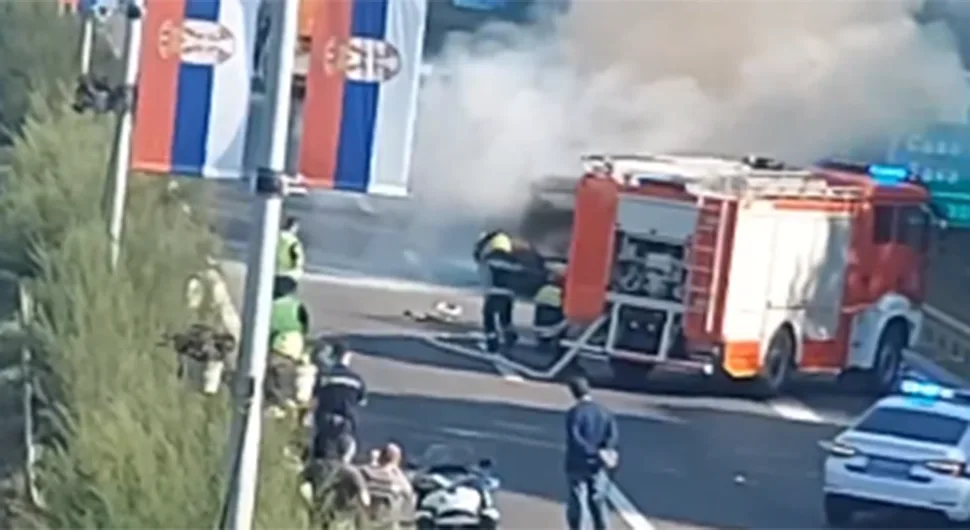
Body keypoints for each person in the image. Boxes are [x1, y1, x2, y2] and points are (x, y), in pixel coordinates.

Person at [564, 375, 619, 530]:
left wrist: (591, 451)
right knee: (598, 499)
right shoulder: (604, 412)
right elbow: (612, 435)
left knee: (578, 500)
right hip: (599, 464)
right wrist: (604, 452)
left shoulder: (574, 413)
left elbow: (575, 439)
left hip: (577, 463)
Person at [300, 432, 370, 530]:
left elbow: (300, 485)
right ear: (351, 451)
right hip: (341, 522)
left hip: (317, 517)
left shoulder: (319, 465)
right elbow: (365, 501)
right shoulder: (353, 473)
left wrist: (309, 504)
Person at [311, 342, 367, 459]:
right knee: (345, 450)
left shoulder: (325, 376)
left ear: (333, 356)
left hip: (325, 417)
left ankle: (318, 469)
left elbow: (315, 395)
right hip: (346, 419)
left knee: (321, 450)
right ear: (348, 356)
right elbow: (362, 401)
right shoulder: (356, 380)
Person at [266, 275, 311, 418]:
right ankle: (286, 406)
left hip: (275, 344)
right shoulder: (297, 306)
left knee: (273, 378)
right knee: (287, 378)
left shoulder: (268, 305)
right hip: (294, 345)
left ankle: (277, 406)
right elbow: (305, 326)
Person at [473, 230, 522, 354]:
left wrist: (481, 244)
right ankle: (510, 338)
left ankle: (492, 345)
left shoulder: (490, 258)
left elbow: (478, 258)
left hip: (494, 292)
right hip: (509, 294)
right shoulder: (513, 259)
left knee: (488, 317)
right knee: (505, 319)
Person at [359, 442, 414, 529]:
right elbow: (408, 514)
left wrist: (373, 462)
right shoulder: (402, 483)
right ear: (398, 460)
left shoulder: (364, 474)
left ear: (380, 457)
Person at [533, 271, 567, 356]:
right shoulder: (560, 292)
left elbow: (537, 303)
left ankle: (543, 343)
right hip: (553, 319)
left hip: (542, 320)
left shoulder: (544, 289)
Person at [277, 216, 305, 280]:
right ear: (293, 227)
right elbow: (295, 258)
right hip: (289, 274)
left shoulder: (276, 236)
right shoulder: (292, 240)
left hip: (275, 272)